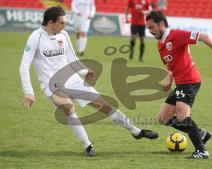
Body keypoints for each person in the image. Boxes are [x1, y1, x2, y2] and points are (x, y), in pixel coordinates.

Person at [19, 6, 158, 157]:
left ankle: (136, 131)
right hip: (52, 84)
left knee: (105, 106)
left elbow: (72, 59)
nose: (65, 26)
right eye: (61, 23)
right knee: (67, 106)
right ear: (51, 22)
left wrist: (84, 71)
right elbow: (24, 67)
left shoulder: (63, 35)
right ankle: (88, 145)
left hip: (72, 79)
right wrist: (29, 92)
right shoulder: (36, 37)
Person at [145, 11, 212, 159]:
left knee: (182, 116)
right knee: (163, 118)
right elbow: (170, 65)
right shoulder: (160, 44)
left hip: (190, 80)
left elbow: (204, 37)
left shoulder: (177, 35)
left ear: (161, 24)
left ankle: (202, 151)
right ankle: (200, 134)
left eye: (152, 27)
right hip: (180, 82)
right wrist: (169, 80)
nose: (150, 31)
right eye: (148, 28)